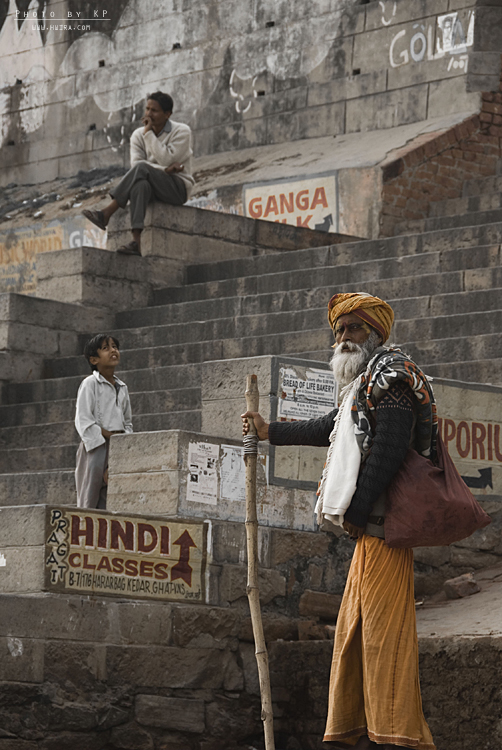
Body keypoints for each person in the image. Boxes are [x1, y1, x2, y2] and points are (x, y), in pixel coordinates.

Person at [242, 292, 437, 750]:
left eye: (353, 329)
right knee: (353, 636)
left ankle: (399, 738)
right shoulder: (364, 385)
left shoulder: (392, 379)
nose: (344, 339)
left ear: (375, 332)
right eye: (339, 332)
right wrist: (271, 431)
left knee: (383, 640)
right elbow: (328, 426)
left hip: (386, 531)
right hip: (370, 535)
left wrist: (354, 509)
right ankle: (356, 733)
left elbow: (388, 451)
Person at [83, 91, 195, 256]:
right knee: (140, 185)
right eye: (147, 109)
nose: (149, 114)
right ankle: (136, 242)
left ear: (167, 114)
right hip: (152, 186)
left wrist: (149, 134)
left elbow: (165, 158)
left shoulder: (182, 131)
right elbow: (136, 166)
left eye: (154, 111)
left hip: (176, 188)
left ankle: (107, 212)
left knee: (142, 170)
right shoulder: (137, 135)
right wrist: (164, 169)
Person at [74, 334, 133, 509]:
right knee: (90, 496)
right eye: (106, 348)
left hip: (118, 447)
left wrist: (124, 440)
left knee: (112, 495)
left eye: (115, 346)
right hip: (96, 446)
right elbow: (83, 419)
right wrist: (108, 435)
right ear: (94, 359)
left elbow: (128, 422)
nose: (113, 350)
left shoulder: (122, 387)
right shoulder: (90, 383)